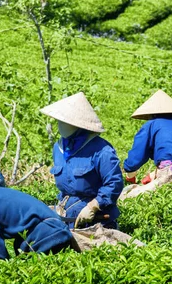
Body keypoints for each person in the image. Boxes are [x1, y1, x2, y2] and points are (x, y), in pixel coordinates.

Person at [40, 92, 123, 230]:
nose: (60, 125)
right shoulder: (58, 148)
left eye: (64, 122)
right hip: (67, 216)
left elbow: (114, 183)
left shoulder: (102, 151)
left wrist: (94, 206)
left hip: (97, 220)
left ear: (77, 125)